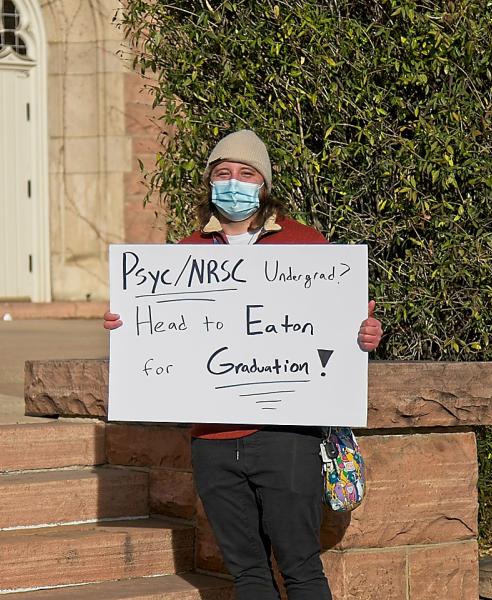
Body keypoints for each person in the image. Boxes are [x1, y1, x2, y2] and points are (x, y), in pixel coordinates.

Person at [104, 129, 383, 599]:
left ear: (264, 184)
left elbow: (338, 324)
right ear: (209, 183)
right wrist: (125, 326)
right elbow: (162, 331)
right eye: (223, 173)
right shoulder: (182, 256)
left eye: (246, 173)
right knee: (248, 575)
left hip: (286, 437)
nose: (234, 182)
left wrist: (364, 334)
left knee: (301, 569)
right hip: (212, 441)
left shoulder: (307, 246)